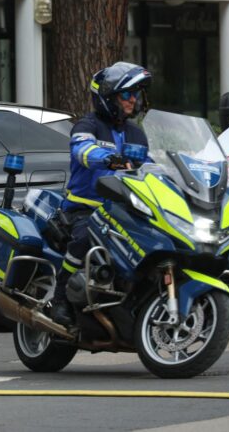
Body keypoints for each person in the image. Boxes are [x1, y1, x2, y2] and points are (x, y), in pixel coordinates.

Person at [51, 61, 152, 325]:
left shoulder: (136, 134)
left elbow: (152, 165)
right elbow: (81, 150)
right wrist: (107, 158)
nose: (133, 100)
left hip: (123, 210)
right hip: (86, 207)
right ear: (108, 97)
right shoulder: (88, 124)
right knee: (84, 238)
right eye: (127, 94)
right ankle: (60, 299)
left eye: (136, 94)